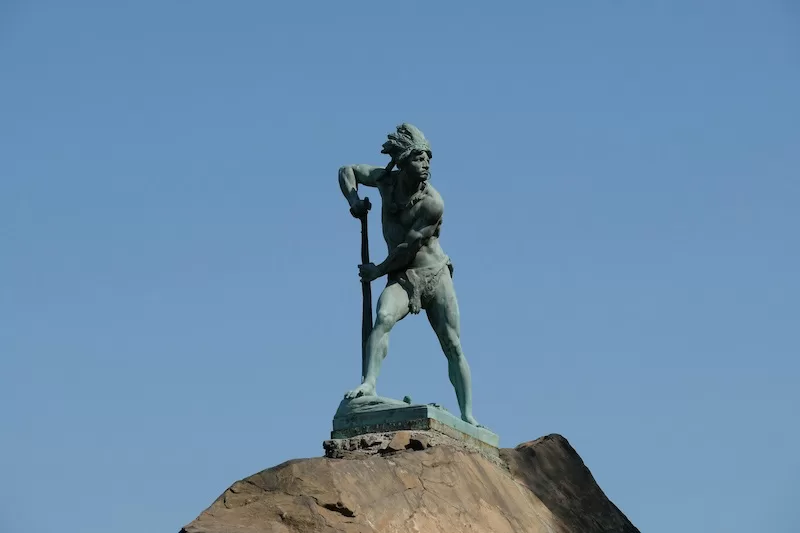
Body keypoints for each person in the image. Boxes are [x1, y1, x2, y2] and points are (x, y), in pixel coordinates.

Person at [337, 124, 478, 425]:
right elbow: (347, 171)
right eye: (418, 158)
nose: (426, 164)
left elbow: (408, 247)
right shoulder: (385, 182)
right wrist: (353, 201)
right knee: (384, 318)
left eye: (428, 158)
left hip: (434, 275)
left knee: (452, 345)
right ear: (403, 161)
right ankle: (368, 383)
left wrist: (377, 271)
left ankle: (468, 415)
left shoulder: (432, 203)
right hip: (401, 276)